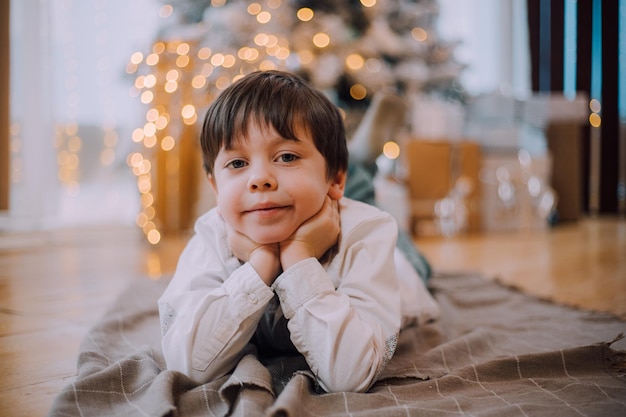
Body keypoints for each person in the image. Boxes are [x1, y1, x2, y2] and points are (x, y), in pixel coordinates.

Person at [158, 70, 439, 393]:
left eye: (286, 157)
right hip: (315, 196)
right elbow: (186, 364)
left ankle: (357, 168)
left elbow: (351, 375)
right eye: (237, 163)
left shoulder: (368, 231)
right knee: (329, 195)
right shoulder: (212, 234)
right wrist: (259, 265)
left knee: (408, 255)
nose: (259, 178)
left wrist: (298, 259)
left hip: (401, 269)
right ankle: (358, 161)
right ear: (215, 186)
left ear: (335, 178)